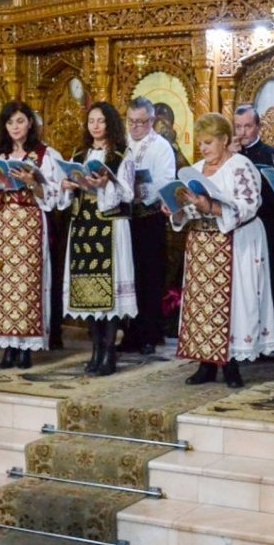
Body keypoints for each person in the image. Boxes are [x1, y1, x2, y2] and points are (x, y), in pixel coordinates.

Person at [165, 113, 274, 387]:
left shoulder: (241, 166)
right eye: (200, 143)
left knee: (235, 303)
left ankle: (231, 366)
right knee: (203, 306)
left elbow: (251, 205)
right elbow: (190, 208)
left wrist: (211, 208)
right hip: (203, 247)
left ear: (224, 140)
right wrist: (176, 207)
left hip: (235, 244)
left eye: (208, 142)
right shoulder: (197, 168)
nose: (203, 149)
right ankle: (206, 364)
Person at [0, 101, 63, 369]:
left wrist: (32, 183)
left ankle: (25, 346)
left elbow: (51, 197)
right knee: (0, 282)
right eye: (10, 122)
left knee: (27, 284)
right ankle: (7, 346)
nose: (15, 127)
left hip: (29, 223)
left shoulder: (44, 155)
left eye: (20, 121)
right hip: (1, 224)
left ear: (30, 124)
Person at [59, 103, 136, 376]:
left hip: (110, 225)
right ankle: (95, 350)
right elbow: (68, 192)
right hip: (82, 225)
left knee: (110, 293)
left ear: (110, 124)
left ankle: (109, 351)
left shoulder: (121, 155)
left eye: (101, 121)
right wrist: (68, 186)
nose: (95, 126)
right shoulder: (79, 154)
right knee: (87, 293)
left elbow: (127, 194)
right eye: (91, 121)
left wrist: (106, 185)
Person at [233, 103, 274, 359]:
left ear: (259, 127)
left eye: (248, 126)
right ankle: (240, 343)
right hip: (234, 229)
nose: (243, 132)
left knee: (270, 283)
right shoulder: (227, 155)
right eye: (238, 127)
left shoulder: (272, 155)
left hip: (265, 225)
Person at [121, 98, 177, 355]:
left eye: (141, 122)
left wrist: (139, 189)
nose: (135, 127)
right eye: (131, 121)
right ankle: (130, 332)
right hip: (125, 218)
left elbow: (165, 182)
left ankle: (149, 334)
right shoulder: (123, 143)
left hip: (149, 218)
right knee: (128, 277)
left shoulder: (161, 146)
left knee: (149, 278)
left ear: (152, 121)